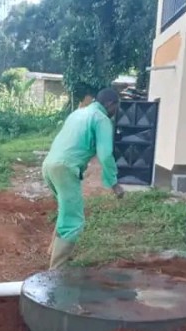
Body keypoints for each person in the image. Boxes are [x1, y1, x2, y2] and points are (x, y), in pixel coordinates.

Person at [43, 88, 125, 269]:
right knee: (73, 221)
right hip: (65, 169)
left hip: (49, 165)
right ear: (110, 104)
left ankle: (53, 251)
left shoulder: (78, 113)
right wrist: (114, 183)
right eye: (116, 107)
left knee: (66, 210)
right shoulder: (102, 119)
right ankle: (56, 271)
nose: (116, 112)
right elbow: (105, 155)